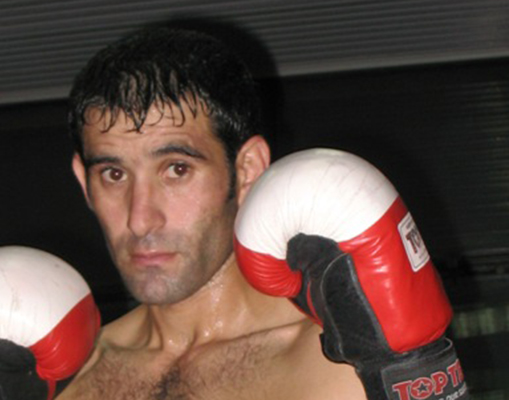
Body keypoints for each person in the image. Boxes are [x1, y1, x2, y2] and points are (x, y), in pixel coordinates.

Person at [58, 27, 368, 399]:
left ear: (247, 170)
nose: (140, 220)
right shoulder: (69, 380)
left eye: (177, 169)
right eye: (114, 174)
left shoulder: (338, 363)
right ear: (84, 181)